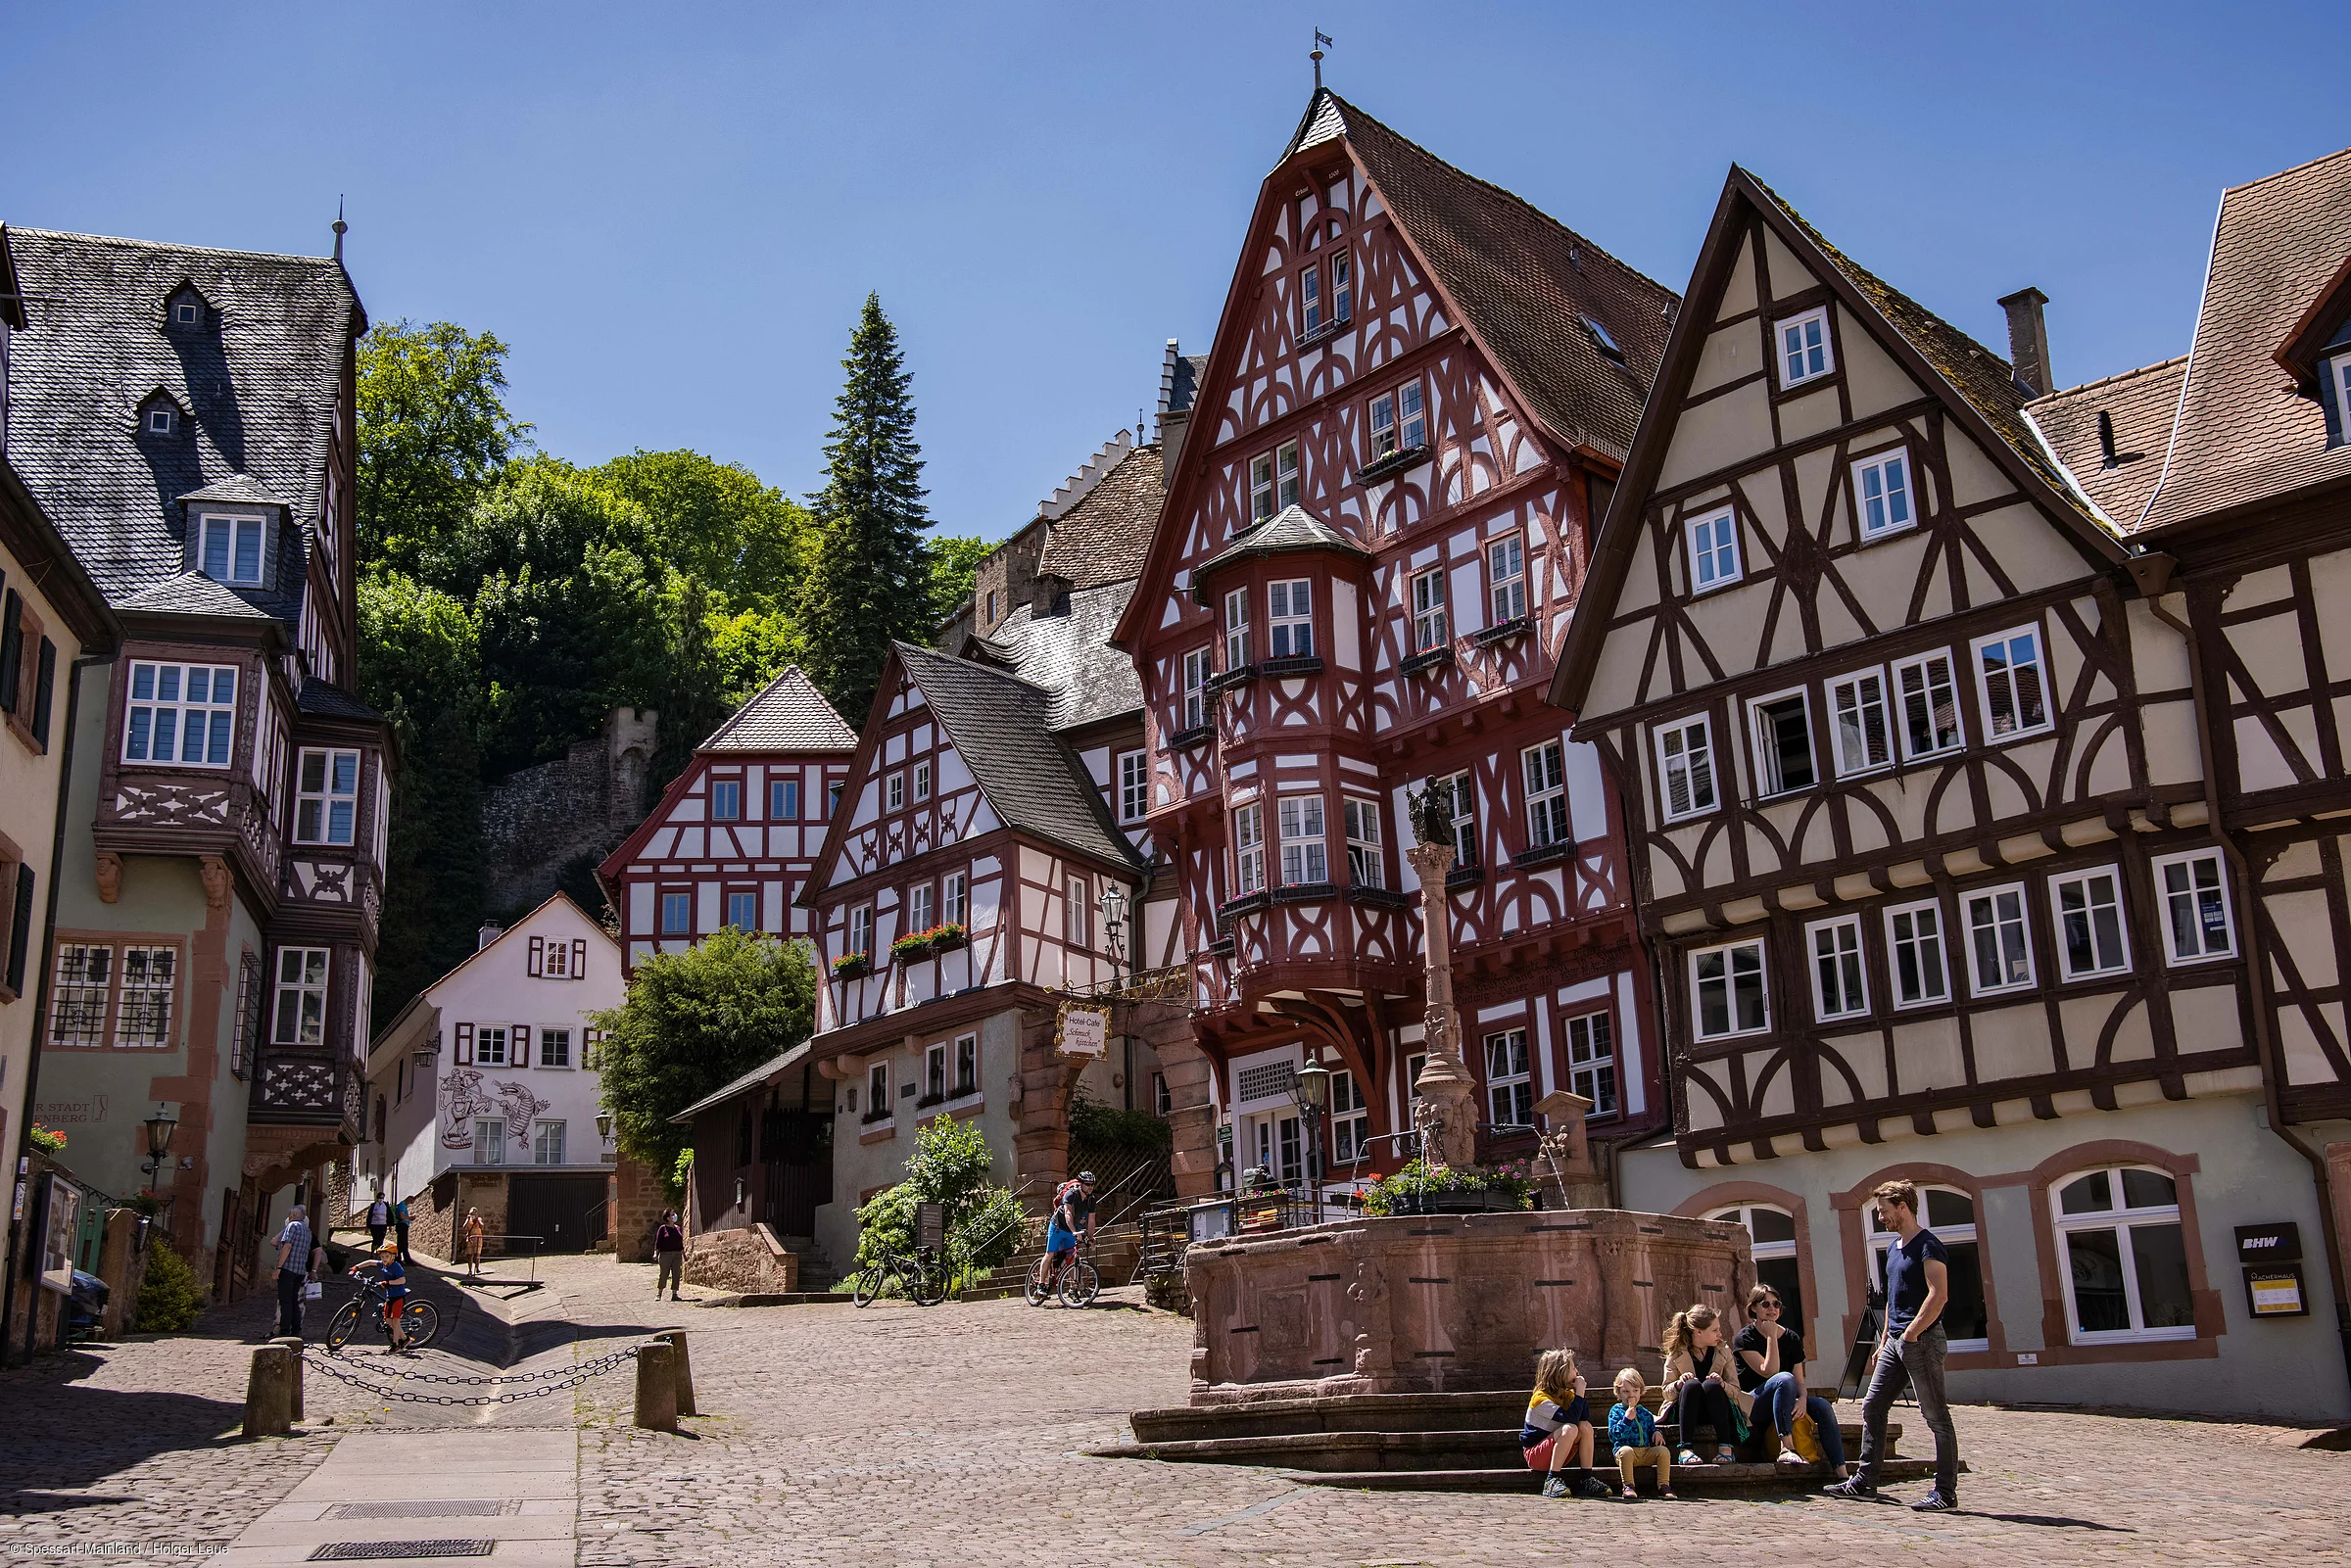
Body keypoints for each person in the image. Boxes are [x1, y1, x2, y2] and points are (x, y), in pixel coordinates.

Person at [1829, 1179, 1960, 1510]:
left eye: (1884, 1211)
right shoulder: (1892, 1248)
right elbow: (1891, 1299)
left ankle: (1945, 1493)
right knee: (1872, 1405)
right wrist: (1886, 1337)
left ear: (1903, 1207)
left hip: (1923, 1341)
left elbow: (1938, 1294)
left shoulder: (1928, 1246)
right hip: (1895, 1343)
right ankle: (1864, 1482)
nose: (1880, 1218)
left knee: (1936, 1417)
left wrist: (1912, 1333)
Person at [1734, 1283, 1846, 1474]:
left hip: (1786, 1400)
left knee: (1822, 1406)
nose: (1772, 1309)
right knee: (1783, 1379)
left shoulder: (1791, 1337)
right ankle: (1786, 1447)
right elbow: (1770, 1371)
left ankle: (1841, 1472)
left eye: (1776, 1304)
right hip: (1754, 1404)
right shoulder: (1745, 1338)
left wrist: (1802, 1401)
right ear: (1753, 1307)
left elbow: (1800, 1381)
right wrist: (1771, 1336)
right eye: (1765, 1304)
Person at [1659, 1303, 1751, 1464]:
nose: (1720, 1334)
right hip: (1687, 1410)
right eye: (1715, 1330)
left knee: (1711, 1385)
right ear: (1698, 1332)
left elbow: (1735, 1390)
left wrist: (1722, 1384)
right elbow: (1666, 1392)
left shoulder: (1724, 1351)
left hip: (1717, 1409)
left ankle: (1725, 1449)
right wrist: (1679, 1384)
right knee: (1691, 1385)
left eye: (1719, 1329)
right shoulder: (1677, 1353)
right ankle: (1686, 1449)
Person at [1520, 1349, 1609, 1497]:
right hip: (1536, 1455)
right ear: (1560, 1373)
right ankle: (1551, 1479)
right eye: (1573, 1368)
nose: (1577, 1371)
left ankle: (1586, 1479)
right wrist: (1579, 1392)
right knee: (1569, 1428)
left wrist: (1579, 1394)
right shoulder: (1540, 1399)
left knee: (1585, 1427)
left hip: (1558, 1450)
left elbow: (1583, 1416)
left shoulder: (1567, 1395)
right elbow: (1571, 1418)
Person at [1607, 1366, 1673, 1500]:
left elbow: (1650, 1428)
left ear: (1640, 1391)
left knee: (1663, 1451)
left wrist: (1657, 1432)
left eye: (1635, 1391)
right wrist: (1626, 1420)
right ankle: (1628, 1486)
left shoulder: (1644, 1413)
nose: (1631, 1395)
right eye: (1626, 1391)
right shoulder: (1616, 1411)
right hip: (1626, 1453)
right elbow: (1613, 1435)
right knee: (1626, 1452)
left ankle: (1664, 1485)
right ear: (1618, 1393)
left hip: (1646, 1451)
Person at [352, 1241, 413, 1354]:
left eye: (387, 1256)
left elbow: (402, 1280)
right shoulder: (383, 1265)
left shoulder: (396, 1267)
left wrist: (388, 1282)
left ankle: (395, 1344)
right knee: (388, 1320)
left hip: (398, 1296)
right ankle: (405, 1339)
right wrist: (356, 1267)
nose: (384, 1258)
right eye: (382, 1256)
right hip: (389, 1295)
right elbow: (370, 1262)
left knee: (395, 1320)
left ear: (393, 1256)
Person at [1040, 1171, 1096, 1292]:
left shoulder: (1091, 1200)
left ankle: (1074, 1287)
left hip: (1072, 1230)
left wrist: (1091, 1238)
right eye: (1087, 1184)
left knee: (1071, 1256)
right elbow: (1068, 1213)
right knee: (1050, 1253)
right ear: (1081, 1184)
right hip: (1058, 1227)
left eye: (1092, 1184)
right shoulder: (1071, 1194)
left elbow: (1091, 1221)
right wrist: (1074, 1232)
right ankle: (1041, 1284)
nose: (1090, 1187)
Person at [272, 1204, 322, 1338]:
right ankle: (296, 1329)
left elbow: (287, 1246)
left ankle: (284, 1331)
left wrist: (279, 1268)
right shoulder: (307, 1231)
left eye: (290, 1215)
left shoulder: (292, 1226)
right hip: (300, 1270)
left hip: (288, 1269)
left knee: (285, 1301)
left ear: (293, 1216)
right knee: (294, 1301)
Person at [654, 1210, 686, 1301]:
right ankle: (659, 1293)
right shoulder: (663, 1228)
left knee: (676, 1274)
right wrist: (656, 1253)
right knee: (664, 1274)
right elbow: (658, 1242)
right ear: (668, 1218)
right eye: (672, 1214)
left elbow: (680, 1244)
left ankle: (674, 1294)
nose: (675, 1216)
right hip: (665, 1254)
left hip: (677, 1254)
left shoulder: (678, 1228)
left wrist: (684, 1255)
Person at [463, 1209, 487, 1275]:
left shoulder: (479, 1219)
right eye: (472, 1214)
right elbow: (464, 1227)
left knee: (477, 1254)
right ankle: (470, 1270)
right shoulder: (468, 1219)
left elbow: (482, 1227)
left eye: (474, 1214)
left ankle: (477, 1268)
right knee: (470, 1255)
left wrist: (478, 1221)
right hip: (470, 1238)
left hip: (478, 1238)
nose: (473, 1215)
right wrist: (468, 1220)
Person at [393, 1195, 413, 1263]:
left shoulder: (401, 1205)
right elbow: (402, 1216)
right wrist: (410, 1218)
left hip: (402, 1225)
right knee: (402, 1243)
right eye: (411, 1202)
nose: (410, 1203)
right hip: (402, 1225)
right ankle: (398, 1258)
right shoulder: (402, 1205)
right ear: (409, 1199)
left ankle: (405, 1259)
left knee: (403, 1243)